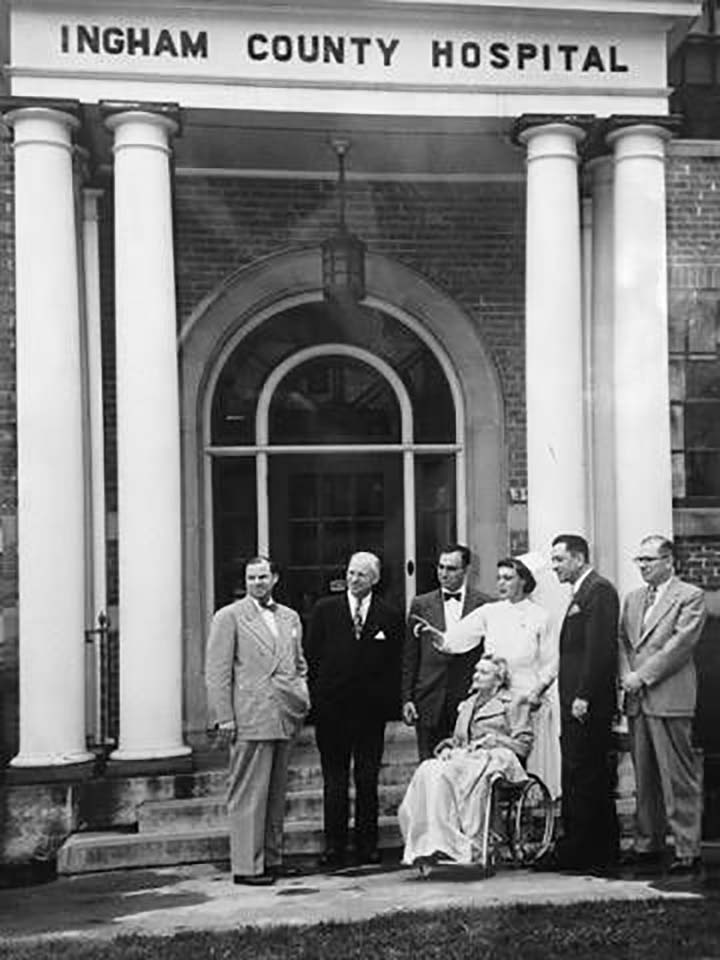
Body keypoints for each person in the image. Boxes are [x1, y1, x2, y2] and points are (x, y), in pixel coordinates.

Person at [416, 556, 561, 798]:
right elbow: (456, 639)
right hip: (494, 698)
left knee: (530, 759)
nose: (501, 583)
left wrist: (536, 693)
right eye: (499, 578)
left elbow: (550, 662)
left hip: (526, 700)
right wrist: (437, 636)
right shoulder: (490, 612)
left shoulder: (541, 617)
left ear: (524, 581)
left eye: (508, 578)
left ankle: (535, 810)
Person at [205, 556, 310, 886]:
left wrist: (300, 694)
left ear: (274, 578)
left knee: (276, 793)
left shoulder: (290, 617)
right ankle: (247, 867)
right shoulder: (230, 617)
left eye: (263, 577)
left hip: (283, 715)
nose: (258, 583)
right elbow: (217, 673)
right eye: (252, 578)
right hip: (250, 714)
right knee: (249, 792)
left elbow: (299, 662)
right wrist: (225, 718)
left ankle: (272, 858)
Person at [304, 551, 404, 869]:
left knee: (366, 780)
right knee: (334, 781)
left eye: (361, 574)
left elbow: (394, 664)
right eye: (350, 572)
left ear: (375, 578)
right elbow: (311, 658)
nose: (354, 579)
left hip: (370, 713)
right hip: (332, 712)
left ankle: (367, 845)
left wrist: (391, 705)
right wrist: (316, 701)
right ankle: (334, 846)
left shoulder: (388, 614)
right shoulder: (325, 610)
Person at [619, 535, 707, 875]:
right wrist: (627, 674)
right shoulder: (633, 598)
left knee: (677, 776)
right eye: (638, 560)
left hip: (669, 697)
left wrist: (642, 676)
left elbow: (679, 645)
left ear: (668, 561)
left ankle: (687, 848)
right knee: (645, 776)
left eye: (648, 560)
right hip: (638, 699)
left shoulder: (690, 596)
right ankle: (647, 843)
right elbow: (623, 640)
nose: (642, 566)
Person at [398, 654, 533, 870]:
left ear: (498, 680)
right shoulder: (469, 704)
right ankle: (430, 842)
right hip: (467, 757)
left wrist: (496, 740)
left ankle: (459, 844)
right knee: (428, 769)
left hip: (497, 758)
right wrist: (447, 748)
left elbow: (524, 746)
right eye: (476, 671)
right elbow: (459, 740)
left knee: (449, 773)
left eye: (483, 672)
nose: (476, 676)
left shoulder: (515, 702)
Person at [542, 533, 620, 873]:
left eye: (559, 560)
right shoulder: (581, 592)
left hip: (586, 703)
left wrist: (584, 695)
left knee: (585, 774)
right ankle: (592, 848)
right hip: (573, 701)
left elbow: (600, 649)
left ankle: (584, 850)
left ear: (578, 558)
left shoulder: (598, 591)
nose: (554, 567)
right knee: (581, 774)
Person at [402, 544, 491, 761]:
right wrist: (407, 698)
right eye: (440, 567)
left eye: (451, 568)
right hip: (429, 696)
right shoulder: (421, 604)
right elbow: (410, 655)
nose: (443, 573)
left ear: (466, 570)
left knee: (468, 767)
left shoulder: (485, 604)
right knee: (429, 767)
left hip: (468, 697)